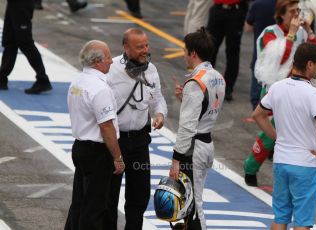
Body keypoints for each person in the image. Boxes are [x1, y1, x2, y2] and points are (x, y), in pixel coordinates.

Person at [253, 42, 316, 230]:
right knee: (302, 222)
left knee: (280, 217)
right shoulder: (314, 94)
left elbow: (258, 114)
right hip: (305, 164)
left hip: (281, 161)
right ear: (309, 65)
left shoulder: (278, 87)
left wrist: (277, 137)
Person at [243, 0, 316, 186]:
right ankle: (250, 168)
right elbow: (277, 61)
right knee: (270, 136)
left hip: (298, 90)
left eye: (298, 11)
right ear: (282, 14)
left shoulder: (301, 32)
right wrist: (292, 35)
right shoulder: (269, 33)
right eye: (292, 12)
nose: (297, 16)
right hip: (274, 90)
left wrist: (309, 31)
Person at [107, 28, 167, 230]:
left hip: (140, 141)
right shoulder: (111, 69)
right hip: (116, 141)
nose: (145, 50)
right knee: (109, 196)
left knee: (139, 196)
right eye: (139, 46)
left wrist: (160, 114)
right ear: (126, 47)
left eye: (147, 45)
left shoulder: (152, 70)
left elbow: (158, 99)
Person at [170, 27, 226, 230]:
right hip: (207, 143)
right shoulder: (217, 76)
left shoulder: (195, 82)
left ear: (193, 53)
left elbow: (187, 127)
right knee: (193, 204)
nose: (184, 55)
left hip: (193, 150)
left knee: (192, 207)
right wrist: (186, 98)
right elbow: (207, 106)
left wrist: (176, 159)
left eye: (185, 51)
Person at [65, 40, 125, 230]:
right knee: (94, 207)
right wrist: (118, 157)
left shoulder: (77, 82)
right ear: (98, 61)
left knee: (79, 202)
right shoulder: (100, 88)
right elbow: (106, 127)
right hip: (98, 152)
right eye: (108, 57)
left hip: (80, 147)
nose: (111, 61)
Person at [0, 0, 52, 94]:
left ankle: (43, 80)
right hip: (13, 4)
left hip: (22, 4)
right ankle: (2, 78)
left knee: (25, 42)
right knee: (10, 40)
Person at [206, 0, 249, 101]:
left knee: (232, 51)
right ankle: (206, 82)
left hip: (236, 10)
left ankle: (228, 88)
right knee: (209, 47)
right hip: (218, 8)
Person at [244, 0, 276, 110]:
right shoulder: (287, 5)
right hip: (281, 55)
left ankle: (257, 110)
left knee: (257, 79)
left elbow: (247, 28)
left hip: (261, 53)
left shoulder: (257, 5)